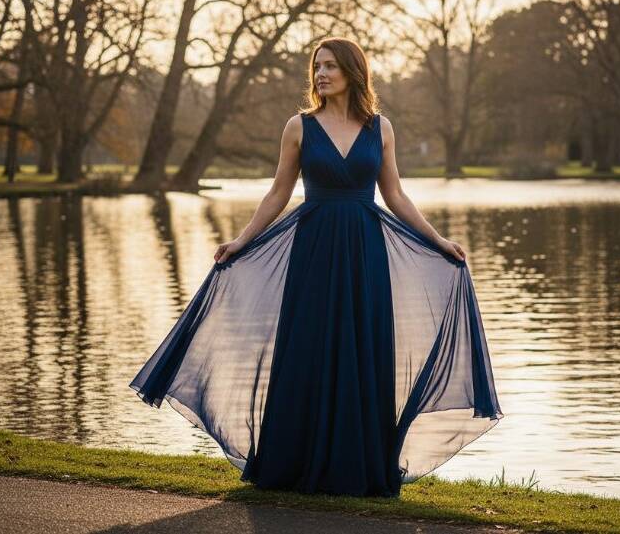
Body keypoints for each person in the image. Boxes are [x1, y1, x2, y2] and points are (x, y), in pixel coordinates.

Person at [130, 37, 503, 498]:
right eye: (317, 67)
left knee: (363, 353)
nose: (321, 74)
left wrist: (439, 240)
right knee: (307, 349)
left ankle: (359, 468)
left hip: (366, 255)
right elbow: (278, 193)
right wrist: (242, 241)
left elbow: (396, 196)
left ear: (352, 71)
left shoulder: (380, 128)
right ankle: (292, 465)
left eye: (330, 66)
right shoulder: (299, 127)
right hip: (313, 253)